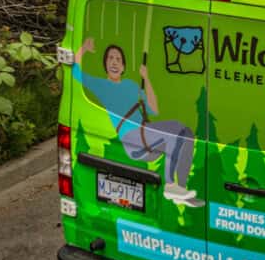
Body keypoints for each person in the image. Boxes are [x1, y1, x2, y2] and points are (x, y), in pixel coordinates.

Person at [73, 37, 199, 204]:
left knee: (186, 133)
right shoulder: (102, 86)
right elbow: (75, 72)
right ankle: (170, 185)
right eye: (110, 58)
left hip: (146, 133)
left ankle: (180, 188)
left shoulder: (131, 85)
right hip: (132, 140)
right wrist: (84, 48)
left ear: (123, 67)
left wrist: (146, 79)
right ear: (105, 64)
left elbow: (154, 109)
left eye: (118, 59)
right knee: (173, 133)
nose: (114, 62)